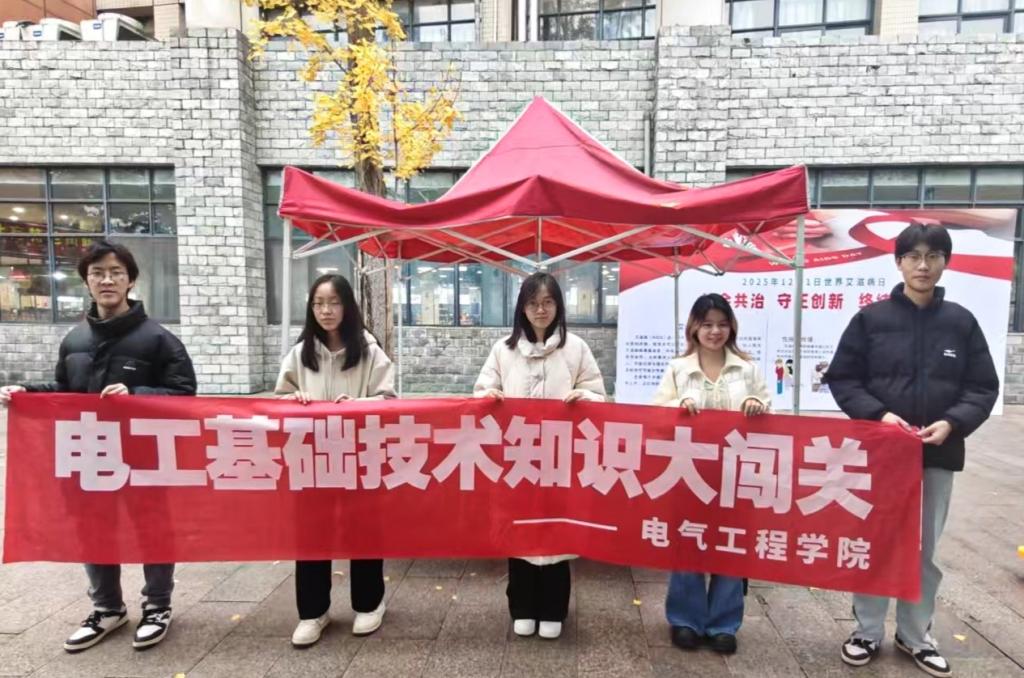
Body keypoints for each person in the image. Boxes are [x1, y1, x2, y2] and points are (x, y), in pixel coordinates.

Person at [0, 240, 196, 653]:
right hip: (90, 455)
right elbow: (65, 391)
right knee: (93, 530)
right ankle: (107, 608)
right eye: (98, 274)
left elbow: (184, 394)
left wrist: (137, 394)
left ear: (130, 280)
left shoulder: (159, 340)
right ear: (87, 282)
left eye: (116, 273)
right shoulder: (74, 340)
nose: (107, 280)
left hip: (144, 457)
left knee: (152, 528)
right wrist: (27, 394)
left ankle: (158, 605)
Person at [827, 224, 998, 677]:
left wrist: (953, 422)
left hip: (938, 454)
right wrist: (880, 416)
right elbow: (843, 378)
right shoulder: (871, 320)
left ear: (945, 262)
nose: (923, 265)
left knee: (926, 550)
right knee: (876, 541)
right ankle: (866, 631)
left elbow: (983, 386)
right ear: (898, 262)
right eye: (914, 256)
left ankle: (915, 634)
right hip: (882, 455)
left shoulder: (961, 322)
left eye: (933, 256)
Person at [473, 271, 605, 640]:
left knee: (558, 531)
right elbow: (482, 389)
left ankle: (553, 609)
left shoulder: (576, 348)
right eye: (533, 303)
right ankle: (522, 606)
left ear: (558, 306)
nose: (541, 310)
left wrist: (585, 397)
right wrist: (490, 397)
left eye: (547, 302)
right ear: (522, 308)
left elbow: (598, 393)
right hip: (517, 457)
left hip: (561, 458)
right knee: (520, 530)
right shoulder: (504, 350)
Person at [275, 273, 396, 647]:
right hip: (312, 459)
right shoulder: (300, 353)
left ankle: (370, 604)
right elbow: (278, 400)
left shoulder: (370, 351)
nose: (326, 311)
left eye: (333, 302)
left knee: (364, 531)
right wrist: (292, 400)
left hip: (360, 457)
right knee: (311, 535)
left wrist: (358, 406)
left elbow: (389, 401)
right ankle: (313, 612)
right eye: (318, 303)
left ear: (348, 306)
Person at [651, 293, 770, 655]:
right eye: (707, 324)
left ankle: (723, 624)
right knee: (689, 542)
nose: (715, 331)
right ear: (694, 328)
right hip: (689, 471)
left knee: (731, 546)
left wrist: (758, 405)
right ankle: (685, 620)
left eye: (721, 324)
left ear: (731, 327)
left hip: (736, 473)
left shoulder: (747, 369)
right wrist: (678, 405)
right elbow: (657, 413)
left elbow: (770, 413)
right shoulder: (678, 368)